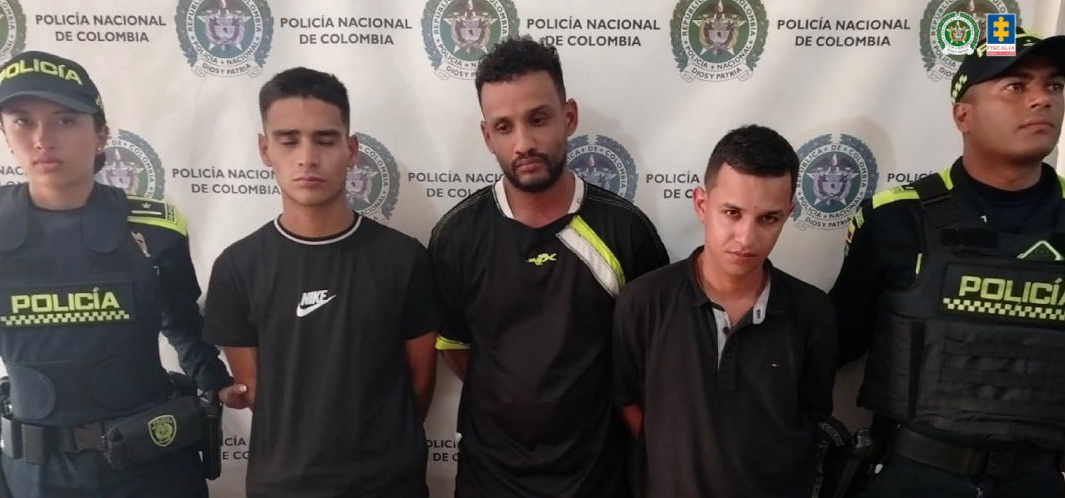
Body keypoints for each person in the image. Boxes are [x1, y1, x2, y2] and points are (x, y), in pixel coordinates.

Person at [0, 50, 242, 498]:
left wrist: (218, 383)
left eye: (65, 120)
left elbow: (184, 327)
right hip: (36, 474)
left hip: (153, 463)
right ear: (4, 133)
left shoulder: (155, 229)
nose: (43, 139)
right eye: (22, 121)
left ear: (100, 134)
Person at [429, 36, 670, 498]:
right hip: (490, 480)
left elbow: (649, 364)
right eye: (504, 127)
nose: (523, 143)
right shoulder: (456, 237)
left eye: (538, 119)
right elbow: (457, 350)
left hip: (597, 480)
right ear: (487, 137)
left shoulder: (627, 232)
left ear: (569, 117)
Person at [830, 28, 1065, 498]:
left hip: (1037, 481)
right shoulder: (895, 219)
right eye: (1015, 86)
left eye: (1054, 85)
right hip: (913, 477)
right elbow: (832, 343)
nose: (1041, 99)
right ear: (963, 114)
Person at [201, 67, 440, 498]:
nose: (307, 157)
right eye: (289, 140)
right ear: (265, 149)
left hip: (390, 486)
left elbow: (421, 383)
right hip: (282, 488)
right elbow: (257, 393)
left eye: (325, 140)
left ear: (351, 149)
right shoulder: (237, 267)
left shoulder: (404, 259)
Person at [612, 125, 838, 498]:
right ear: (702, 204)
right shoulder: (643, 302)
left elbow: (812, 413)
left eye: (768, 218)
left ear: (788, 214)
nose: (746, 238)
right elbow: (625, 398)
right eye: (732, 212)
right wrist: (674, 462)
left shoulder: (813, 313)